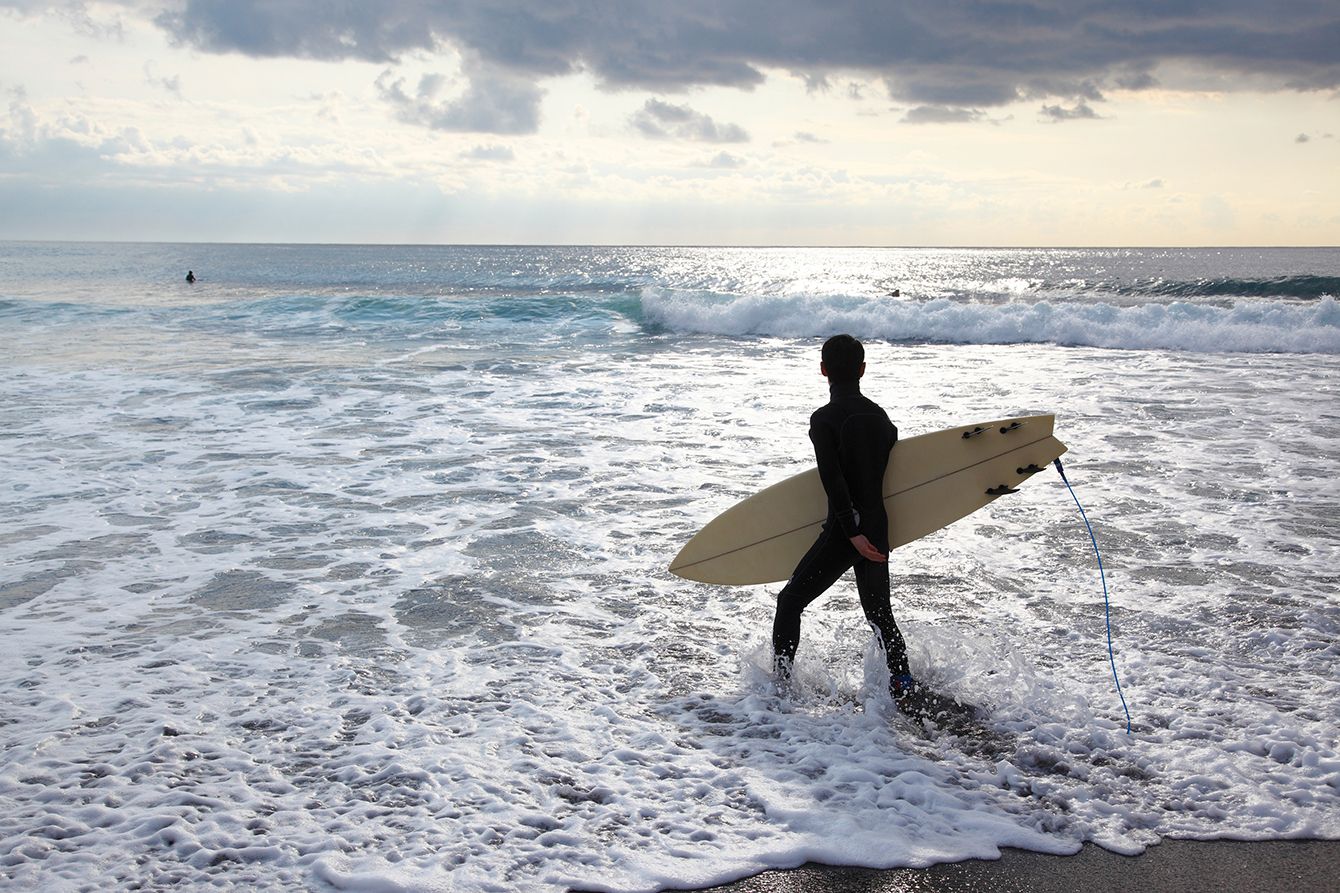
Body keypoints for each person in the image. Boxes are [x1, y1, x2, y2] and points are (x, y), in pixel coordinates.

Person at [772, 334, 919, 710]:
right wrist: (867, 532)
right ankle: (903, 684)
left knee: (790, 601)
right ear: (862, 370)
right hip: (878, 528)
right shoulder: (882, 418)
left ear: (823, 370)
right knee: (879, 614)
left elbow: (834, 480)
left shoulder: (824, 419)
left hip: (844, 532)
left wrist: (851, 532)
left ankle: (780, 688)